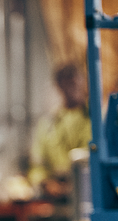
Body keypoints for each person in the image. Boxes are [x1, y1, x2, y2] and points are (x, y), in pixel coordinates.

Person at [28, 62, 92, 201]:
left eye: (74, 80)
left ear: (83, 81)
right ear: (58, 86)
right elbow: (37, 165)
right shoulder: (48, 124)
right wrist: (45, 183)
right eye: (66, 82)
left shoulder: (96, 119)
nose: (71, 87)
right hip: (56, 198)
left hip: (89, 192)